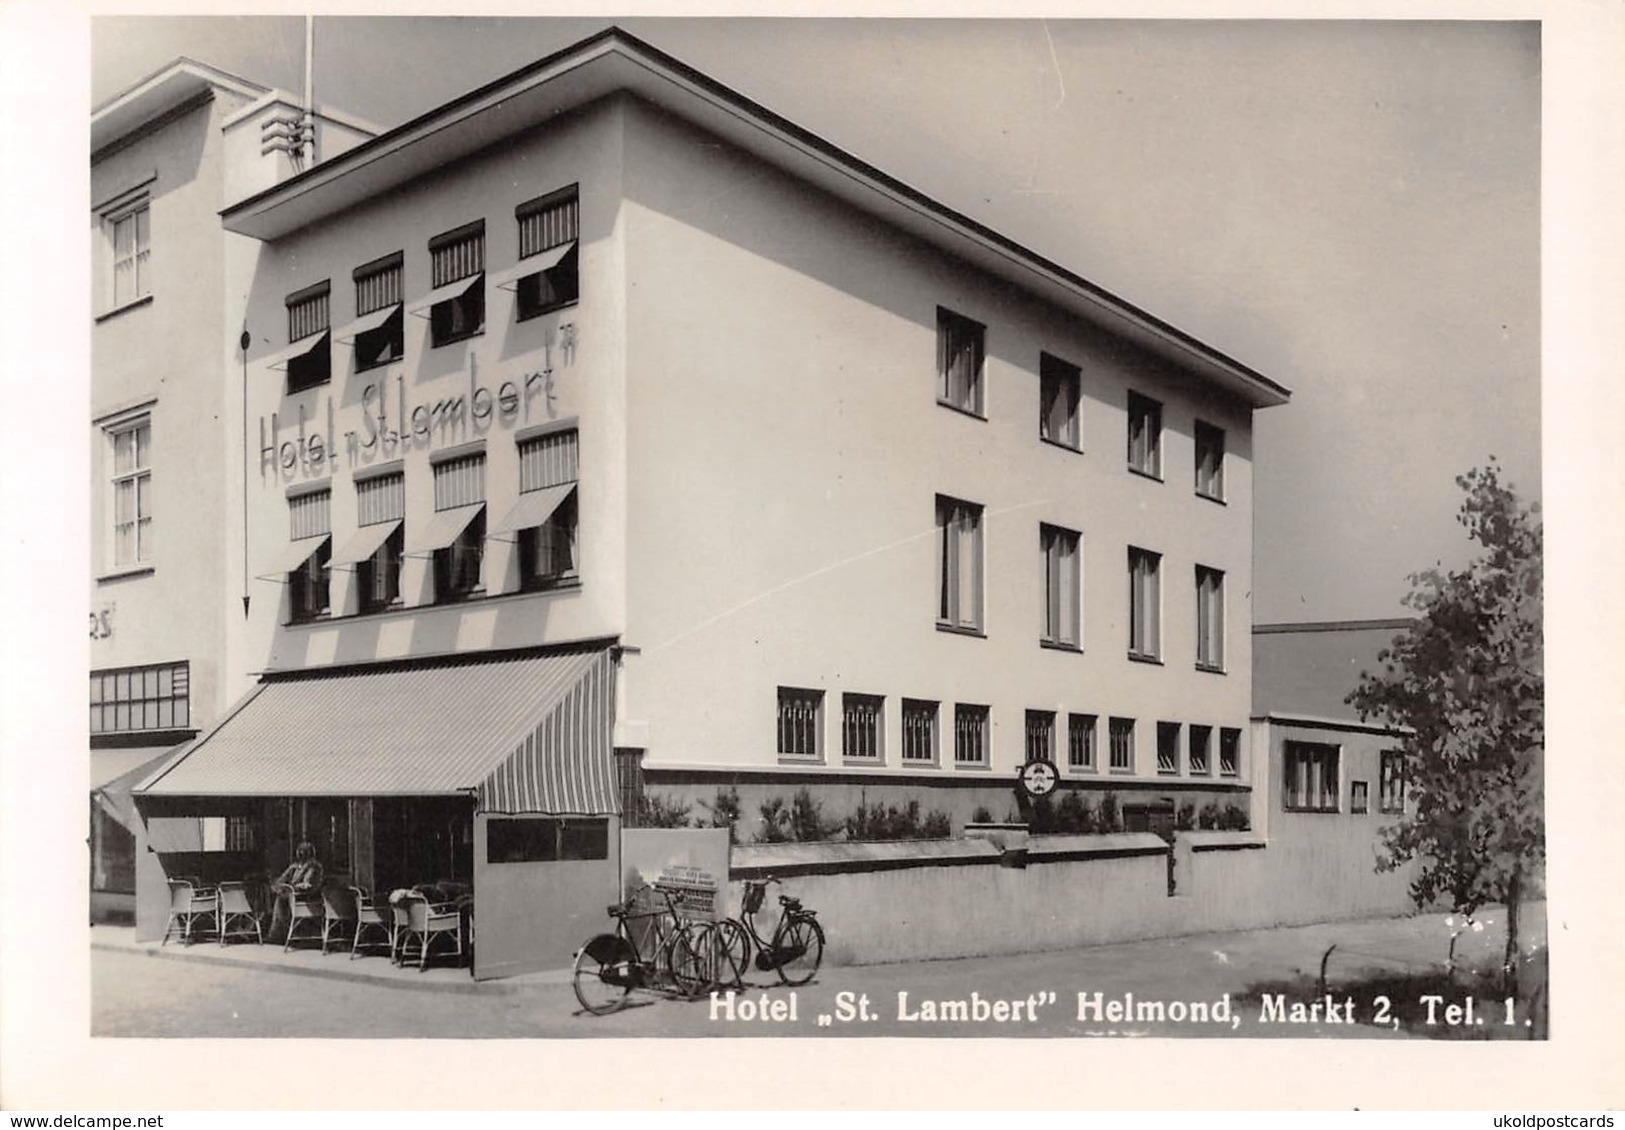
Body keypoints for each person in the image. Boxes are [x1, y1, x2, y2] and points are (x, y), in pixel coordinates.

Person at [267, 841, 324, 944]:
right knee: (277, 896)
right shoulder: (296, 867)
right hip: (294, 896)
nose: (301, 854)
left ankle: (277, 933)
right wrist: (282, 882)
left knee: (281, 899)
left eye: (304, 852)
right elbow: (281, 880)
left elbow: (307, 884)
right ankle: (277, 931)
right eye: (300, 852)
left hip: (309, 898)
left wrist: (291, 887)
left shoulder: (314, 866)